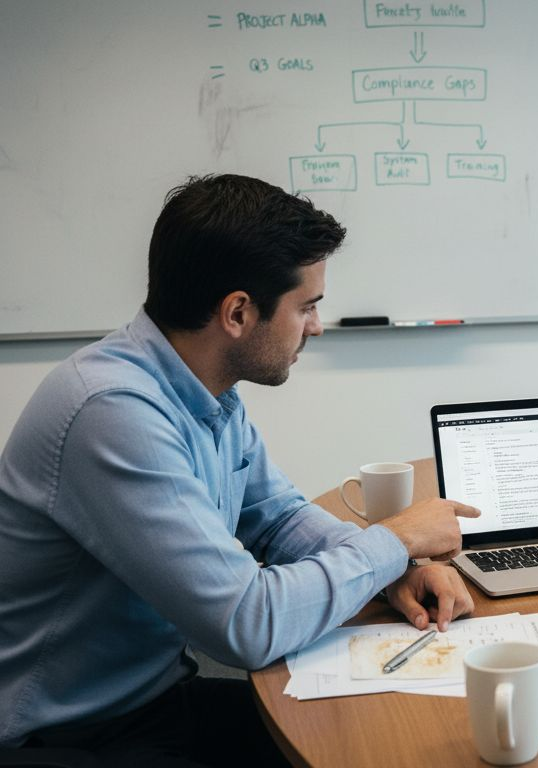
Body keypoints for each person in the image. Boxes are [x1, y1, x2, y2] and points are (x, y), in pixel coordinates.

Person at [0, 174, 481, 764]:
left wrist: (391, 571)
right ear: (237, 313)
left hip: (151, 701)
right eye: (306, 307)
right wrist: (395, 539)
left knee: (382, 742)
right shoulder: (112, 412)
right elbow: (248, 625)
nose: (316, 327)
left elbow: (276, 520)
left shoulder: (206, 391)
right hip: (68, 735)